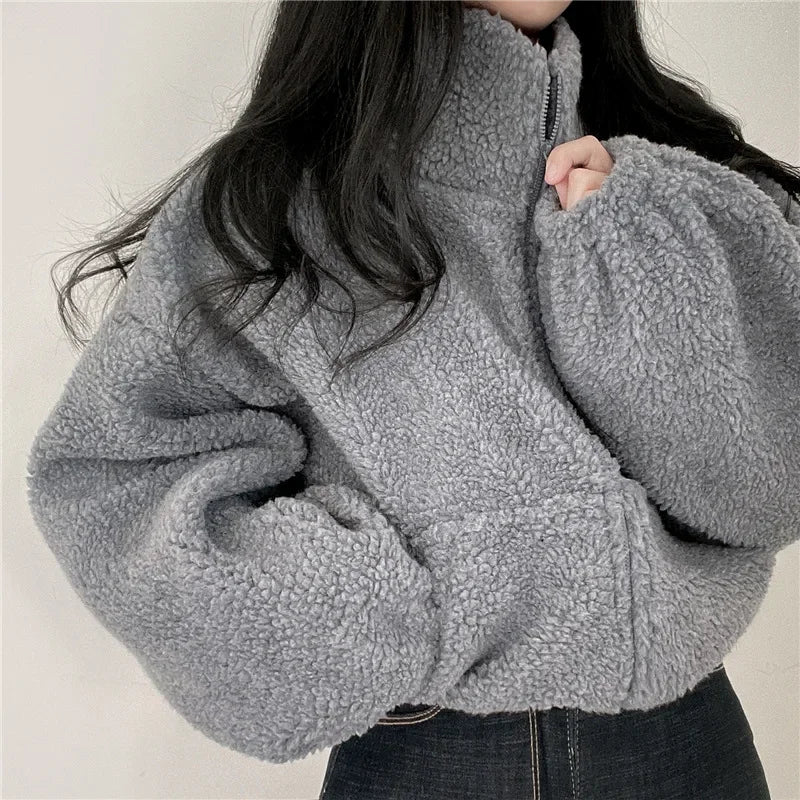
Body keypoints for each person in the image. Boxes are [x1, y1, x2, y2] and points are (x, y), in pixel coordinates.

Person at [25, 1, 799, 798]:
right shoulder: (285, 198)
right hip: (430, 753)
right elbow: (112, 478)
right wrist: (359, 615)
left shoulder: (678, 179)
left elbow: (770, 485)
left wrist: (641, 246)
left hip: (682, 741)